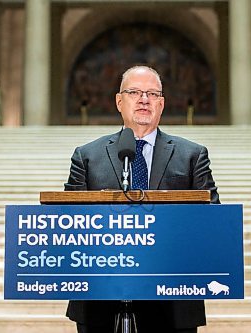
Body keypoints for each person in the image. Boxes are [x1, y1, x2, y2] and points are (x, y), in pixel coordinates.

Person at [64, 65, 220, 333]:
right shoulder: (87, 156)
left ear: (161, 103)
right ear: (119, 101)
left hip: (172, 298)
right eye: (134, 92)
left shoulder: (192, 155)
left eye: (151, 93)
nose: (144, 99)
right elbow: (67, 223)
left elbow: (214, 220)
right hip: (101, 295)